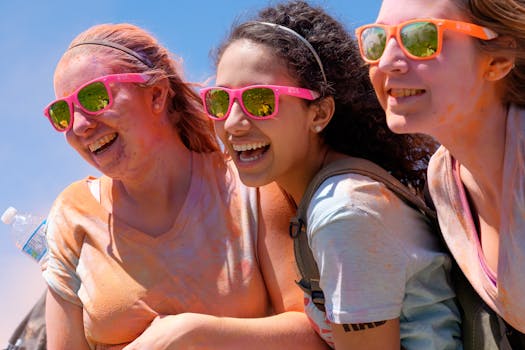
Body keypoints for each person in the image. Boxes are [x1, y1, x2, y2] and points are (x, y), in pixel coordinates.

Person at [41, 23, 327, 350]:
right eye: (62, 112)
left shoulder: (250, 188)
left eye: (94, 97)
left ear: (157, 94)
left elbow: (313, 335)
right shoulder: (73, 213)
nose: (79, 125)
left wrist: (193, 333)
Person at [204, 1, 462, 349]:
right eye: (220, 101)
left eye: (261, 101)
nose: (233, 122)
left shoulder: (342, 211)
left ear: (320, 113)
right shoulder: (330, 191)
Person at [355, 0, 525, 347]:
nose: (385, 62)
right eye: (376, 40)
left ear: (498, 59)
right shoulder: (443, 179)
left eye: (421, 37)